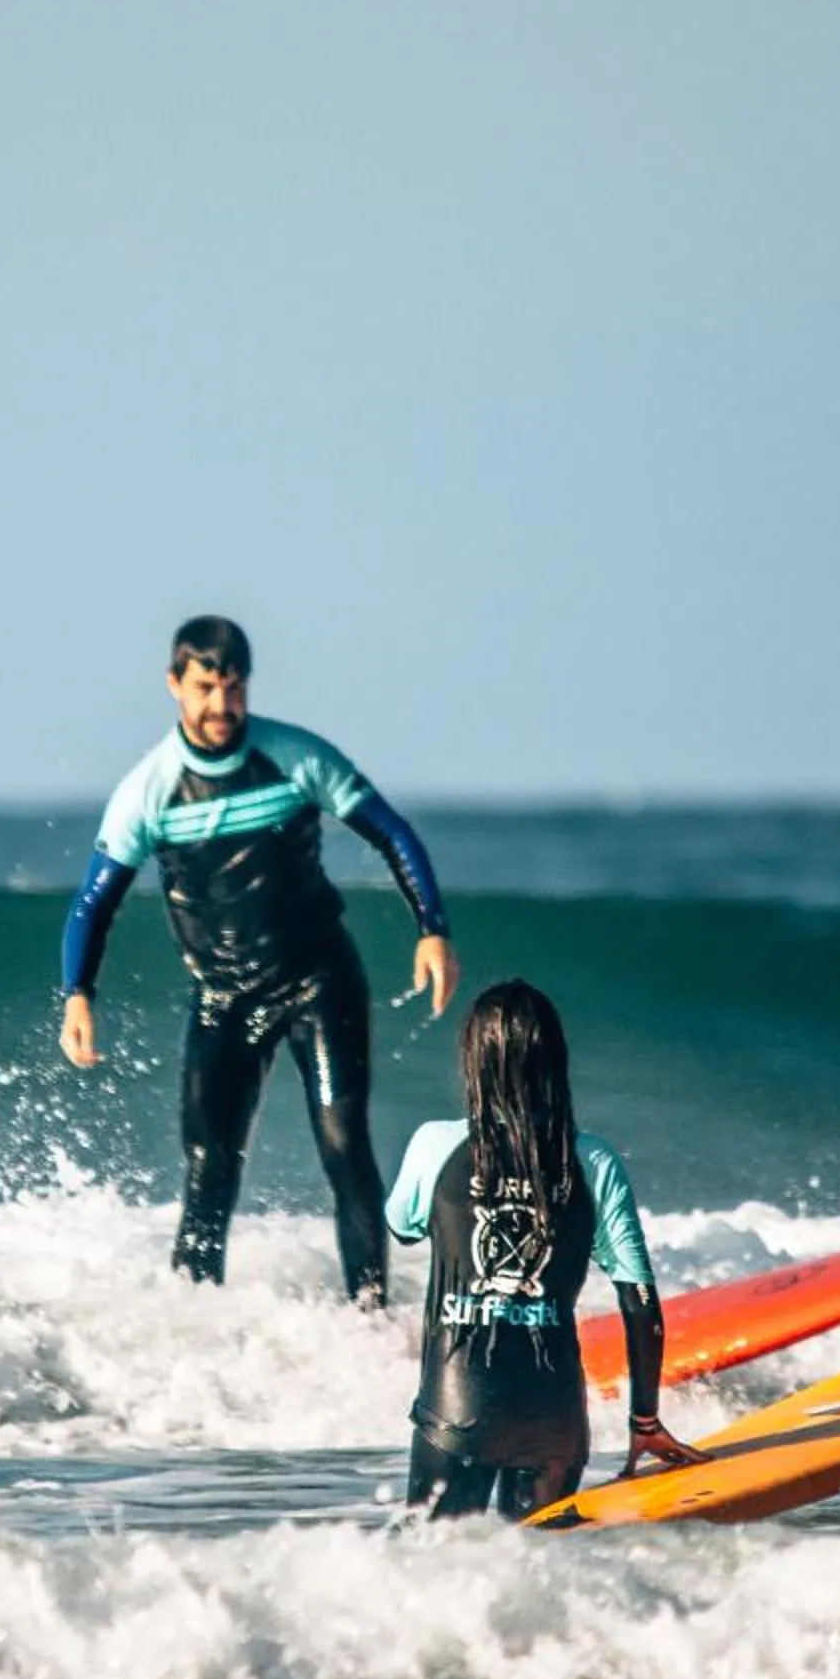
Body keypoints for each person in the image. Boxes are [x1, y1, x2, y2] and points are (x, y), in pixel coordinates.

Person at [59, 615, 457, 1304]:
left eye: (234, 687)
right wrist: (77, 994)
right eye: (206, 687)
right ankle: (195, 1325)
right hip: (222, 998)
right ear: (175, 686)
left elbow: (390, 830)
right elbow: (95, 902)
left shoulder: (296, 757)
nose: (221, 705)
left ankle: (369, 1315)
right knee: (209, 1169)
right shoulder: (149, 790)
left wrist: (432, 928)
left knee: (344, 1148)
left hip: (318, 980)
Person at [386, 979, 704, 1519]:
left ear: (474, 1058)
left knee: (424, 1574)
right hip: (553, 1417)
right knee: (544, 1576)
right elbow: (640, 1302)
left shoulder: (434, 1144)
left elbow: (403, 1226)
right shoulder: (594, 1160)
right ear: (554, 1060)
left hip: (457, 1409)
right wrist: (644, 1422)